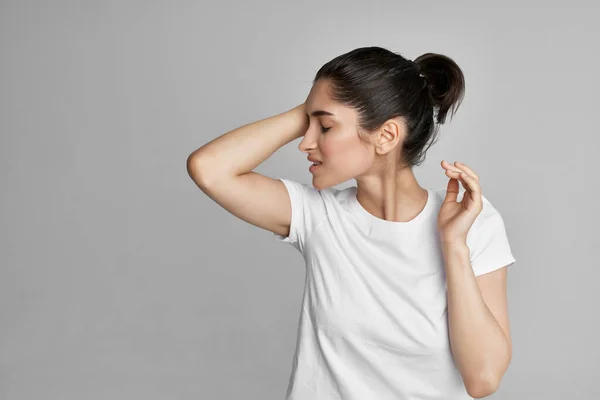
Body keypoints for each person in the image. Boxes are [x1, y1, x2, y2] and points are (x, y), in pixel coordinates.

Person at [186, 46, 517, 400]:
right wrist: (312, 109)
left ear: (386, 136)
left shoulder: (471, 221)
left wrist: (454, 244)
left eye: (325, 127)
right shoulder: (319, 217)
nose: (305, 143)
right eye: (307, 126)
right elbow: (209, 170)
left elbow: (482, 379)